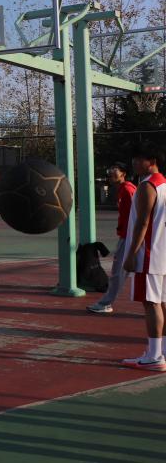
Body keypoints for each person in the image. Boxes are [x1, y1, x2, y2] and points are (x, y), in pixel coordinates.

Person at [120, 143, 166, 371]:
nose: (134, 163)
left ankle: (155, 356)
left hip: (149, 255)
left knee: (151, 303)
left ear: (152, 161)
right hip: (162, 253)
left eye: (139, 159)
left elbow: (143, 222)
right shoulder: (164, 184)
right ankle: (161, 351)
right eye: (134, 159)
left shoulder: (148, 186)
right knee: (162, 303)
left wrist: (131, 254)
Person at [88, 162, 137, 314]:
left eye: (114, 170)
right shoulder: (122, 189)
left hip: (129, 238)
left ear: (123, 174)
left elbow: (136, 216)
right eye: (110, 170)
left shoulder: (128, 190)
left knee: (118, 273)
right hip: (128, 237)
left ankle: (105, 303)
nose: (110, 173)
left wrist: (133, 239)